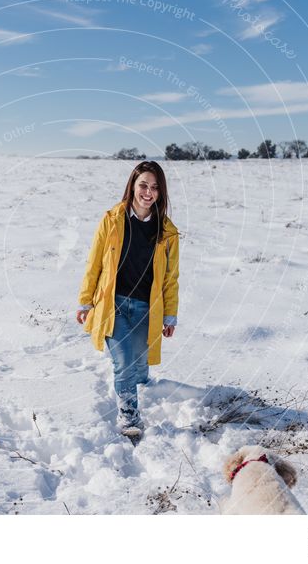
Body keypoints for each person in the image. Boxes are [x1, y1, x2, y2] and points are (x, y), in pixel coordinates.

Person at [76, 160, 180, 435]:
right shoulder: (111, 220)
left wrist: (170, 314)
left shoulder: (167, 232)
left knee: (138, 361)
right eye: (143, 185)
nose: (148, 192)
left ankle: (141, 381)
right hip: (115, 306)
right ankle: (129, 417)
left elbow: (170, 277)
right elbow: (94, 263)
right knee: (122, 362)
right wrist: (86, 300)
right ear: (132, 186)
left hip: (148, 308)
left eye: (155, 187)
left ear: (161, 192)